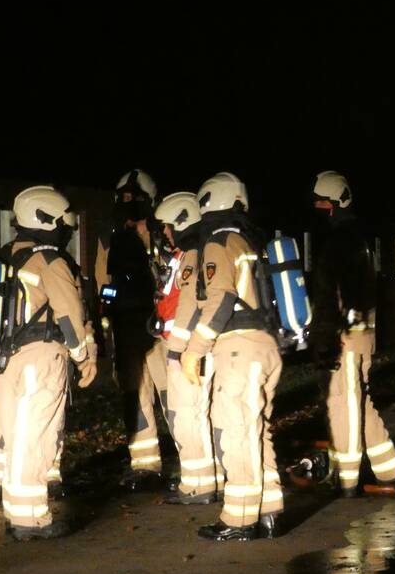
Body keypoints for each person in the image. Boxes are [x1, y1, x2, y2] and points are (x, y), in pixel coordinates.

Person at [180, 172, 283, 541]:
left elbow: (221, 298)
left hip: (238, 349)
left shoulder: (217, 242)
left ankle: (239, 521)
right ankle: (270, 512)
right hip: (265, 344)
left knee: (238, 433)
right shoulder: (248, 239)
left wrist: (194, 351)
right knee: (257, 431)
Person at [0, 186, 97, 540]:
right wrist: (85, 356)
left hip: (6, 360)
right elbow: (71, 317)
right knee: (36, 436)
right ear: (50, 219)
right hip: (41, 357)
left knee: (16, 434)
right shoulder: (50, 260)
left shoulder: (7, 256)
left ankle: (17, 511)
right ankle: (32, 520)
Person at [308, 171, 395, 498]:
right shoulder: (360, 240)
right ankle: (393, 471)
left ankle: (348, 481)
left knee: (344, 406)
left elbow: (329, 299)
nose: (318, 207)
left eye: (322, 202)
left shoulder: (339, 244)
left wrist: (325, 340)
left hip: (345, 338)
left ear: (335, 204)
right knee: (359, 401)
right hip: (362, 334)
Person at [95, 170, 167, 488]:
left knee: (174, 391)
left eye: (135, 198)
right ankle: (145, 464)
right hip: (126, 325)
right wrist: (105, 315)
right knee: (135, 393)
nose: (129, 204)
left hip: (159, 324)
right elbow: (103, 281)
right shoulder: (108, 236)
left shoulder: (161, 231)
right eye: (124, 198)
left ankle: (196, 457)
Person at [153, 192, 223, 504]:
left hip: (186, 349)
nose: (167, 232)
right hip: (187, 345)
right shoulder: (188, 253)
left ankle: (198, 485)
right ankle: (206, 480)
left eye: (169, 226)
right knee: (195, 414)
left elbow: (188, 306)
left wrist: (177, 349)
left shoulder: (193, 254)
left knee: (188, 415)